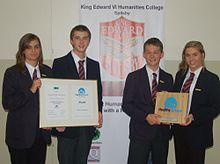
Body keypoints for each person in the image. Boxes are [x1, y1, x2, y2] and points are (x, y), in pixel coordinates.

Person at [52, 25, 103, 164]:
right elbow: (55, 94)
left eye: (85, 38)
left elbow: (98, 93)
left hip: (86, 127)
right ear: (71, 41)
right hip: (66, 126)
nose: (81, 42)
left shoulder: (94, 65)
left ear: (89, 41)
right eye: (77, 38)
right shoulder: (59, 63)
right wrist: (57, 120)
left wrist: (99, 111)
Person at [2, 33, 52, 164]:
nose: (33, 51)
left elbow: (52, 101)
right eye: (29, 47)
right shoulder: (12, 72)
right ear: (22, 50)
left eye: (36, 47)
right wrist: (30, 90)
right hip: (20, 135)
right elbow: (7, 103)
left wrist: (51, 120)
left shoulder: (48, 71)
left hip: (41, 135)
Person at [122, 37, 173, 164]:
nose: (152, 56)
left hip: (161, 135)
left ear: (162, 54)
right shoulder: (133, 77)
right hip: (140, 134)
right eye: (148, 52)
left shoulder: (168, 78)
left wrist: (171, 117)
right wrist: (145, 116)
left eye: (155, 52)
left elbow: (172, 105)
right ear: (144, 54)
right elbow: (126, 105)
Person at [172, 41, 220, 164]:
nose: (191, 59)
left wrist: (193, 117)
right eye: (187, 55)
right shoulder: (180, 75)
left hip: (198, 132)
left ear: (202, 55)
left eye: (195, 54)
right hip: (179, 132)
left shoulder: (212, 79)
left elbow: (215, 107)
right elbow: (175, 100)